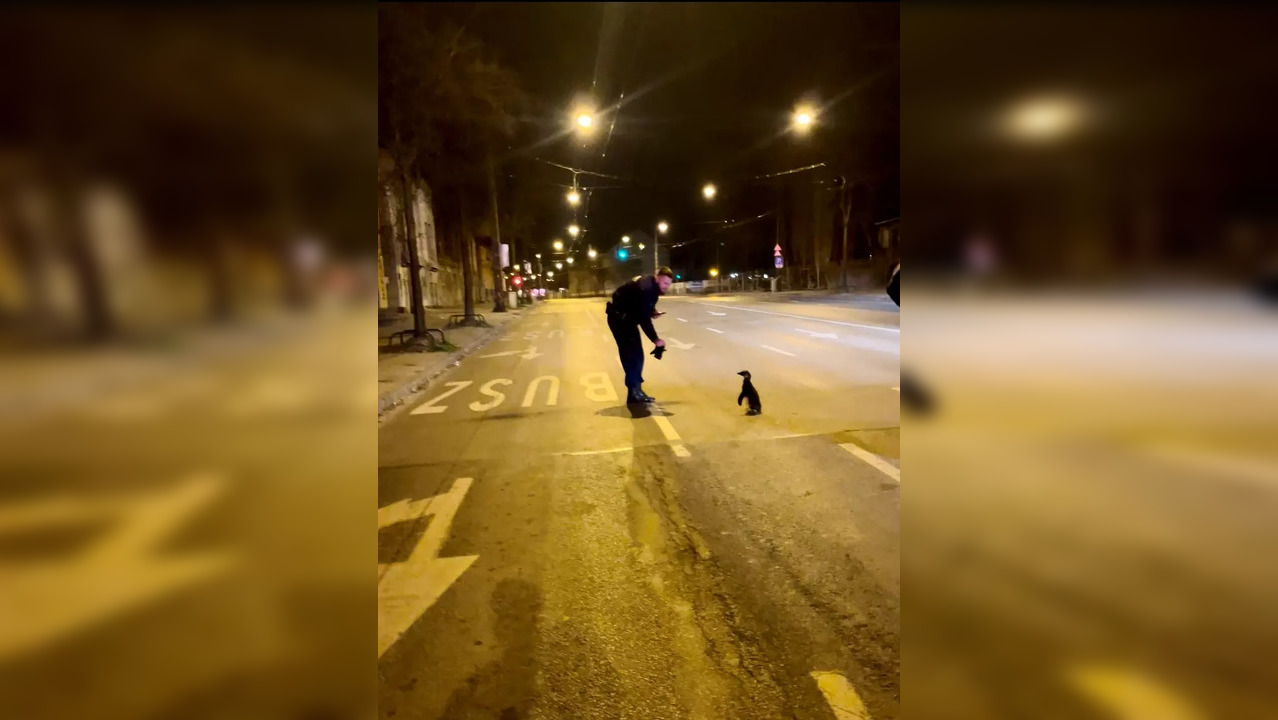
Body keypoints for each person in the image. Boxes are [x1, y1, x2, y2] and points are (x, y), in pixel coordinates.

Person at [606, 266, 674, 404]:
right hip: (620, 320)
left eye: (669, 284)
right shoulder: (647, 289)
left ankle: (636, 390)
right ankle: (633, 393)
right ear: (657, 278)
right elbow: (644, 320)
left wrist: (652, 311)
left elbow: (644, 306)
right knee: (632, 357)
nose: (667, 287)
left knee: (637, 356)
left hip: (627, 319)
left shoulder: (652, 288)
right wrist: (656, 340)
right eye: (665, 283)